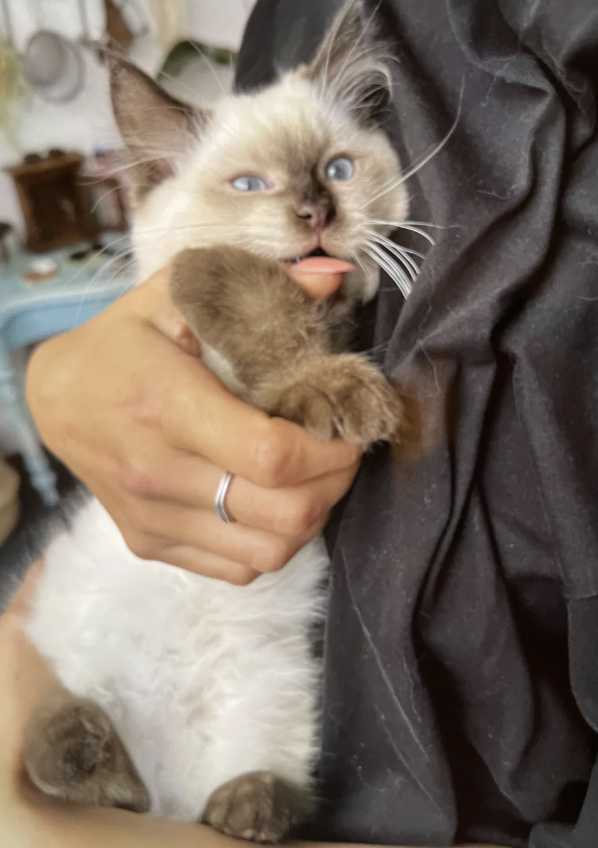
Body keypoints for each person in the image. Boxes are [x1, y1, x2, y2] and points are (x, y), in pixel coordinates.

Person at [3, 1, 598, 847]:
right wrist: (59, 381)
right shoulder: (287, 24)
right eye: (251, 183)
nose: (311, 208)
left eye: (336, 173)